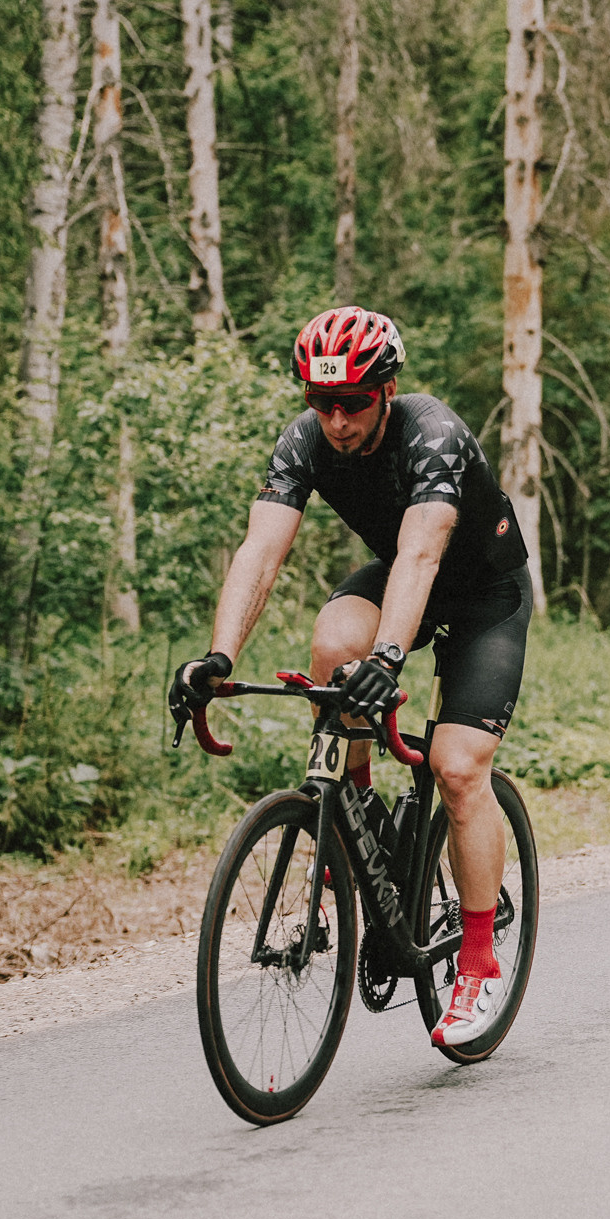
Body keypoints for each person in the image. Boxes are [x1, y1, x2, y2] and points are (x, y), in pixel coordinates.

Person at [167, 305, 531, 1049]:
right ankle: (356, 821)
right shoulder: (305, 440)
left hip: (482, 595)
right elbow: (260, 552)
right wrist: (218, 657)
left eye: (353, 403)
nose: (336, 421)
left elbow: (423, 551)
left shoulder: (431, 432)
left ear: (386, 391)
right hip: (400, 577)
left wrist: (389, 659)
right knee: (332, 645)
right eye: (320, 401)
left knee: (458, 768)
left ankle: (478, 958)